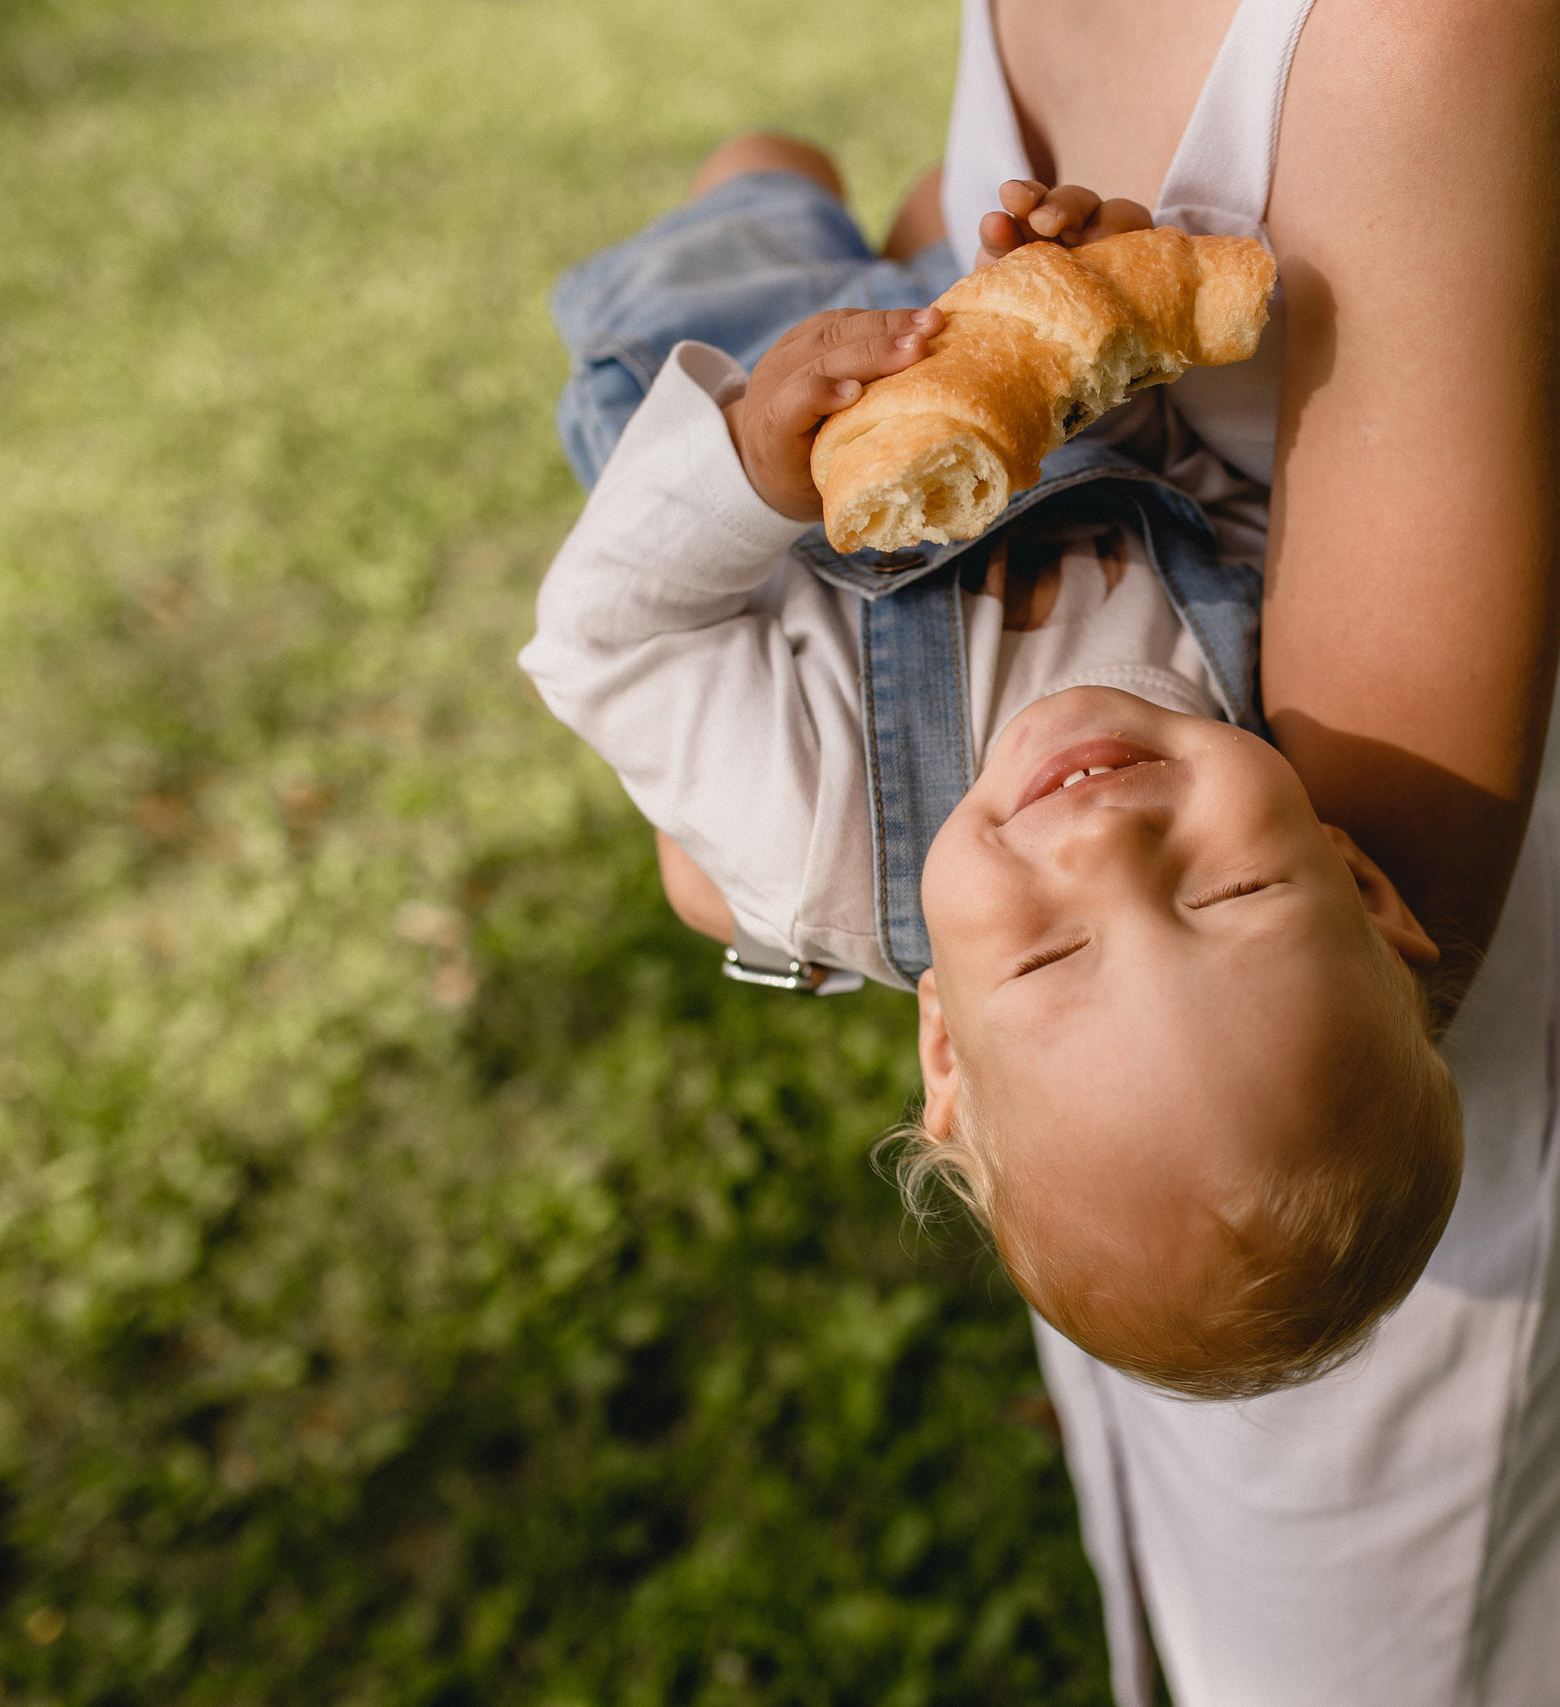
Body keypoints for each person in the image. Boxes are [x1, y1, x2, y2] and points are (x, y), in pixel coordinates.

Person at [918, 0, 1560, 1700]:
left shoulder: (1430, 36)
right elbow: (936, 308)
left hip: (1352, 1092)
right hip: (1106, 1098)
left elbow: (1379, 853)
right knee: (1196, 1591)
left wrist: (773, 846)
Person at [522, 159, 1463, 1396]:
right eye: (1230, 896)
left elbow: (612, 644)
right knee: (957, 176)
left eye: (1050, 957)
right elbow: (1222, 475)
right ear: (1358, 881)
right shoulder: (1267, 680)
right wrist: (1113, 305)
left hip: (743, 364)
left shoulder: (823, 847)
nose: (1106, 845)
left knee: (773, 166)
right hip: (977, 326)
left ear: (946, 1047)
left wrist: (749, 467)